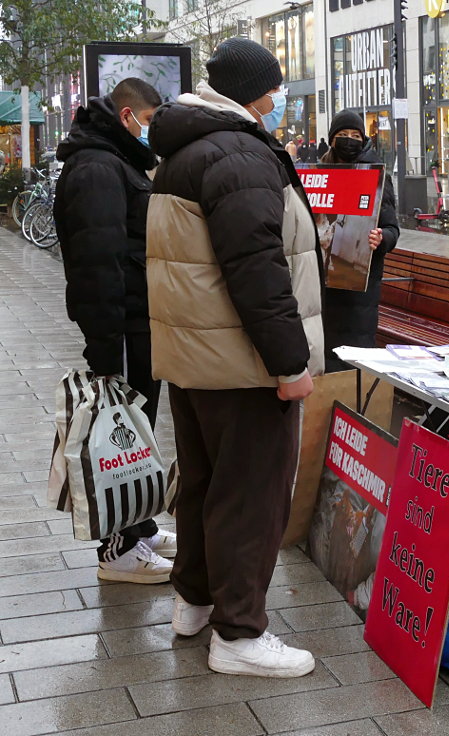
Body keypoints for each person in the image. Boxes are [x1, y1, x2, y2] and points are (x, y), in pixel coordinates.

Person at [146, 37, 323, 678]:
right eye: (273, 87)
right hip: (243, 362)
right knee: (250, 496)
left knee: (202, 485)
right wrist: (290, 364)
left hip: (196, 358)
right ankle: (240, 634)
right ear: (250, 89)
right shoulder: (239, 154)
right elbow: (257, 270)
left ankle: (194, 602)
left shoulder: (185, 150)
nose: (278, 98)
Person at [54, 78, 176, 584]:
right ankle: (118, 550)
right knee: (119, 435)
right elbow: (96, 264)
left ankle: (138, 526)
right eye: (150, 120)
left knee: (137, 430)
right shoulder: (99, 166)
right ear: (128, 116)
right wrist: (104, 351)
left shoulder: (115, 159)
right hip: (121, 328)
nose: (153, 132)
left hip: (135, 321)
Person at [320, 110, 400, 372]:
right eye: (342, 135)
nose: (349, 140)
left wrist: (382, 238)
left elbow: (392, 229)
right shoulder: (320, 173)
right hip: (321, 284)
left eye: (356, 135)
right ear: (332, 139)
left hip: (358, 287)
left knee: (352, 358)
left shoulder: (376, 176)